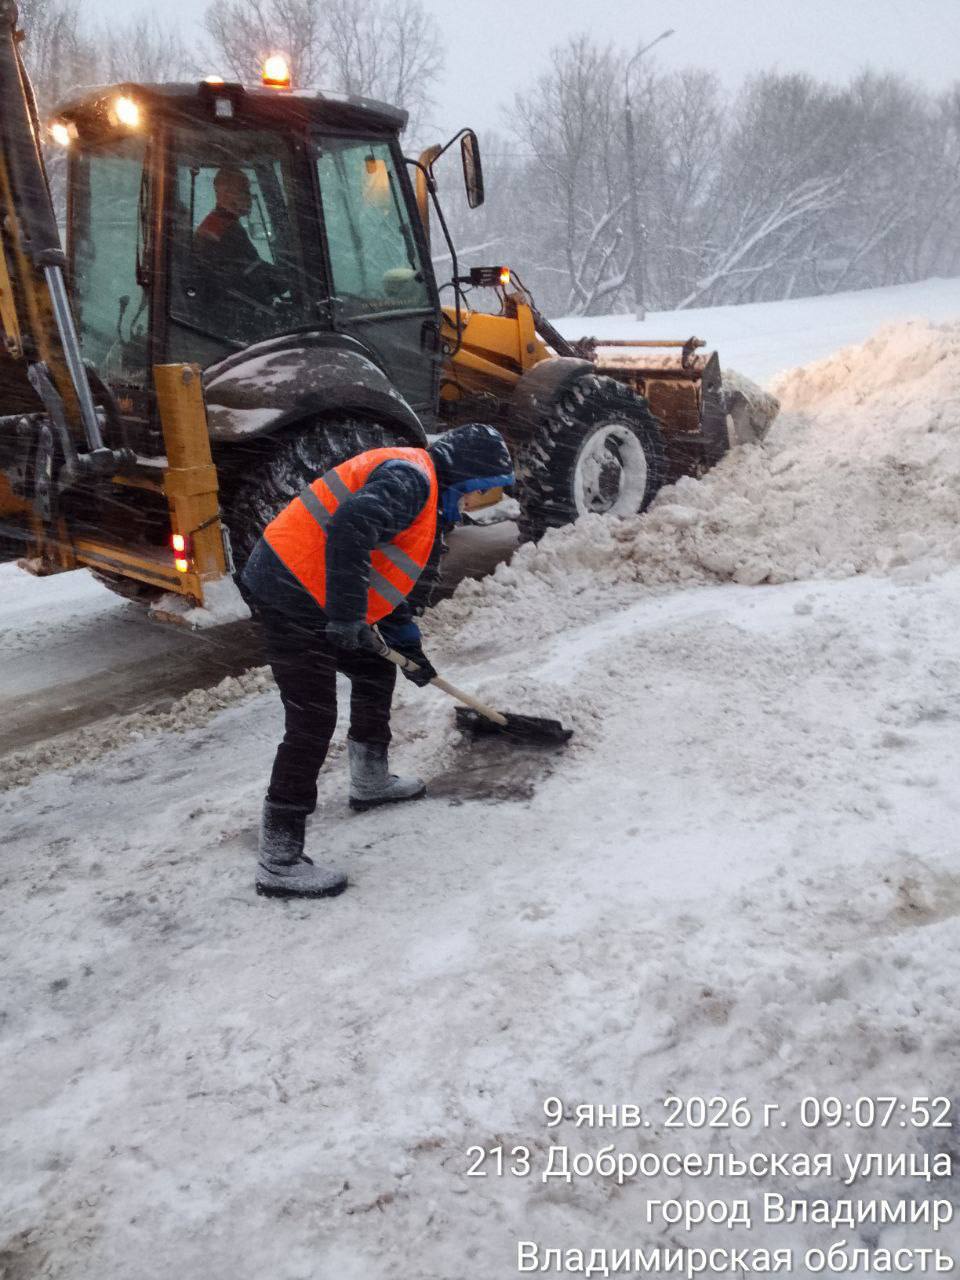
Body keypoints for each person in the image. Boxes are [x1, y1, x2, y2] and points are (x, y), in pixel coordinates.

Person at [240, 423, 515, 900]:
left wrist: (408, 647)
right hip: (291, 590)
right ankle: (279, 860)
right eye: (479, 492)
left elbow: (386, 576)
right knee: (311, 719)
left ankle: (369, 780)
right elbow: (350, 527)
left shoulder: (423, 494)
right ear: (463, 479)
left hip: (313, 588)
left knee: (374, 669)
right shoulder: (413, 480)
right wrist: (347, 616)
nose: (475, 504)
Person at [192, 167, 285, 326]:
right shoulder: (221, 232)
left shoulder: (222, 225)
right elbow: (252, 276)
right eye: (244, 191)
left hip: (233, 311)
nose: (249, 197)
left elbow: (251, 269)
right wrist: (286, 280)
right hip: (232, 319)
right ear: (225, 193)